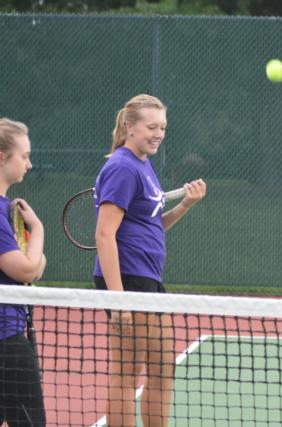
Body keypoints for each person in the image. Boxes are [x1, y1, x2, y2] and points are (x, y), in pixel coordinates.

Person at [94, 94, 206, 427]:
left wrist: (185, 204)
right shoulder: (122, 167)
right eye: (151, 127)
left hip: (148, 278)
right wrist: (118, 300)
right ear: (130, 127)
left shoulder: (143, 164)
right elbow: (105, 234)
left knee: (162, 368)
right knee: (127, 373)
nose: (159, 134)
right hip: (128, 279)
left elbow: (151, 225)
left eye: (163, 127)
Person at [0, 118, 47, 427]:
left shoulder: (5, 208)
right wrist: (38, 227)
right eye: (24, 156)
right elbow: (29, 268)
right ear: (2, 157)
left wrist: (33, 263)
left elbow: (34, 268)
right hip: (6, 342)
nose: (29, 164)